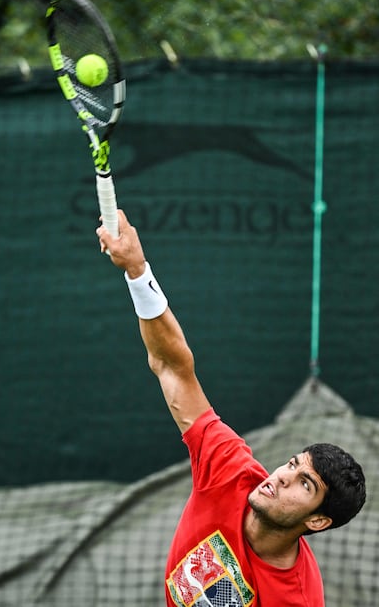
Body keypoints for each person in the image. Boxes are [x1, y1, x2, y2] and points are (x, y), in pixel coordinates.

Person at [96, 210, 366, 607]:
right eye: (293, 464)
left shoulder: (299, 600)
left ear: (318, 521)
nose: (283, 478)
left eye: (305, 485)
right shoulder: (229, 469)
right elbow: (173, 366)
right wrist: (137, 270)